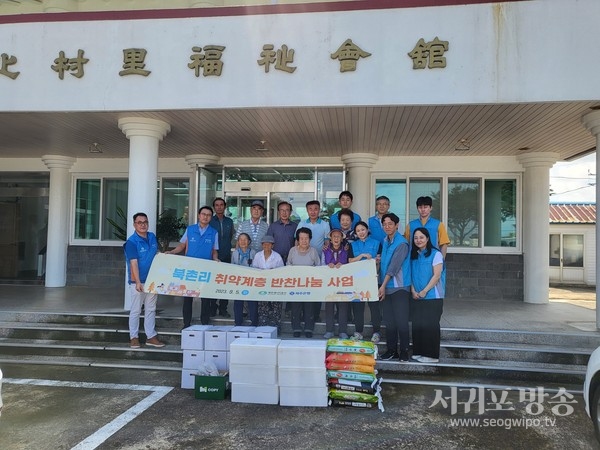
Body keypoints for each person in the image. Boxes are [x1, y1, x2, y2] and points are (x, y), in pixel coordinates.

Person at [166, 206, 219, 328]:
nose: (205, 217)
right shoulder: (190, 230)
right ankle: (186, 323)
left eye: (208, 215)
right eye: (203, 214)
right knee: (188, 297)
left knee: (205, 298)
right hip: (190, 269)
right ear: (199, 215)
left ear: (211, 218)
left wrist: (216, 259)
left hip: (206, 270)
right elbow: (181, 246)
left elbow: (214, 250)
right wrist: (172, 252)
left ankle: (205, 323)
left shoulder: (213, 232)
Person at [124, 212, 165, 348]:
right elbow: (133, 263)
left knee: (151, 309)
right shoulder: (131, 242)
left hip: (153, 280)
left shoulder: (152, 237)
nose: (143, 225)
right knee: (136, 309)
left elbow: (157, 255)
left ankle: (151, 336)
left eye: (145, 222)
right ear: (134, 224)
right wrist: (136, 282)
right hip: (138, 282)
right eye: (139, 222)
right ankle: (134, 337)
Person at [378, 213, 411, 362]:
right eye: (384, 224)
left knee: (401, 321)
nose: (387, 226)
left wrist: (382, 286)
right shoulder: (385, 240)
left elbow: (393, 267)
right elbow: (384, 263)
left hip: (399, 288)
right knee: (389, 321)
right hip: (386, 287)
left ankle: (404, 351)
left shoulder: (401, 243)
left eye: (390, 223)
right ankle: (392, 350)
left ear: (397, 225)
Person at [410, 227, 445, 363]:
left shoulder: (436, 254)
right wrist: (413, 290)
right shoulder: (414, 255)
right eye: (416, 238)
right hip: (417, 296)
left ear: (428, 238)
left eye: (421, 237)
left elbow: (436, 276)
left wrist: (425, 291)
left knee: (430, 325)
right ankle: (419, 351)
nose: (418, 240)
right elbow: (411, 275)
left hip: (432, 296)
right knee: (418, 324)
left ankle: (431, 355)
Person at [349, 221, 382, 342]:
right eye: (358, 231)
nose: (361, 232)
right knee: (358, 307)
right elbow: (350, 261)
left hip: (373, 279)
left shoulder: (377, 243)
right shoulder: (353, 245)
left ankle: (376, 332)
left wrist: (375, 260)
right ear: (356, 233)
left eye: (363, 229)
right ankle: (358, 332)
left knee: (374, 306)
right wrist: (361, 255)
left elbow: (380, 259)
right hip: (357, 281)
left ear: (367, 230)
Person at [299, 200, 330, 321]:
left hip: (318, 262)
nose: (313, 211)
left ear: (319, 210)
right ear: (307, 210)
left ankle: (315, 315)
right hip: (303, 262)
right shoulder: (301, 223)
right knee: (303, 290)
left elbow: (327, 242)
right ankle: (303, 315)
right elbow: (297, 241)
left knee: (317, 290)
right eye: (310, 209)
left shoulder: (325, 224)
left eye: (315, 209)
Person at [287, 227, 321, 338]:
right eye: (301, 238)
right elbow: (288, 265)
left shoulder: (313, 251)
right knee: (295, 307)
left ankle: (308, 328)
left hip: (310, 285)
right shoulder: (292, 250)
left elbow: (318, 267)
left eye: (306, 238)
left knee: (309, 307)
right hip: (295, 284)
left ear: (310, 239)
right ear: (298, 239)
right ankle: (296, 328)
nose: (304, 241)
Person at [322, 228, 350, 340]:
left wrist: (343, 266)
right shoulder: (325, 250)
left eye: (338, 236)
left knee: (343, 306)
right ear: (330, 239)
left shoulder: (346, 250)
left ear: (342, 238)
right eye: (334, 237)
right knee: (329, 306)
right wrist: (327, 266)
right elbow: (321, 264)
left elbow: (350, 264)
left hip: (343, 283)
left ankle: (343, 331)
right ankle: (329, 330)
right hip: (329, 283)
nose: (336, 239)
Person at [209, 197, 234, 318]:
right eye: (217, 205)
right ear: (214, 207)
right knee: (213, 283)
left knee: (225, 284)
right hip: (212, 257)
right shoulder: (210, 221)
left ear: (225, 206)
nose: (219, 207)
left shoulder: (229, 221)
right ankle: (212, 307)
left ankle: (223, 308)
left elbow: (230, 237)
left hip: (226, 256)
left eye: (221, 205)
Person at [252, 235, 285, 328]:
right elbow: (254, 269)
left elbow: (282, 271)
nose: (266, 246)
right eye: (264, 244)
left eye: (269, 244)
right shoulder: (258, 255)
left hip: (274, 285)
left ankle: (276, 327)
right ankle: (263, 327)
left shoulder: (277, 256)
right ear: (262, 245)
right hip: (261, 285)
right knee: (263, 307)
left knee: (276, 307)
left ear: (272, 245)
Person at [231, 233, 257, 326]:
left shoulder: (253, 253)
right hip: (239, 281)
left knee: (252, 301)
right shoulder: (235, 253)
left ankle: (254, 322)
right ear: (238, 242)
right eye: (240, 240)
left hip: (251, 281)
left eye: (245, 239)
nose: (243, 242)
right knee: (238, 302)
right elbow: (232, 266)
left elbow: (256, 266)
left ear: (249, 241)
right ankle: (238, 322)